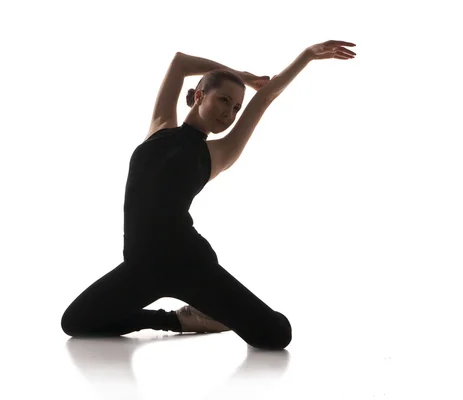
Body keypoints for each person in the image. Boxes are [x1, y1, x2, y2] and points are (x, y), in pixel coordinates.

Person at [61, 40, 356, 350]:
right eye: (224, 100)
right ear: (200, 95)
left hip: (189, 263)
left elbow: (266, 97)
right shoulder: (160, 125)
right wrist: (238, 74)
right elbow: (180, 62)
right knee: (76, 323)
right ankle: (177, 320)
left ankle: (205, 313)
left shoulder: (218, 152)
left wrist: (307, 56)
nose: (229, 113)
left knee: (276, 335)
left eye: (236, 107)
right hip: (139, 267)